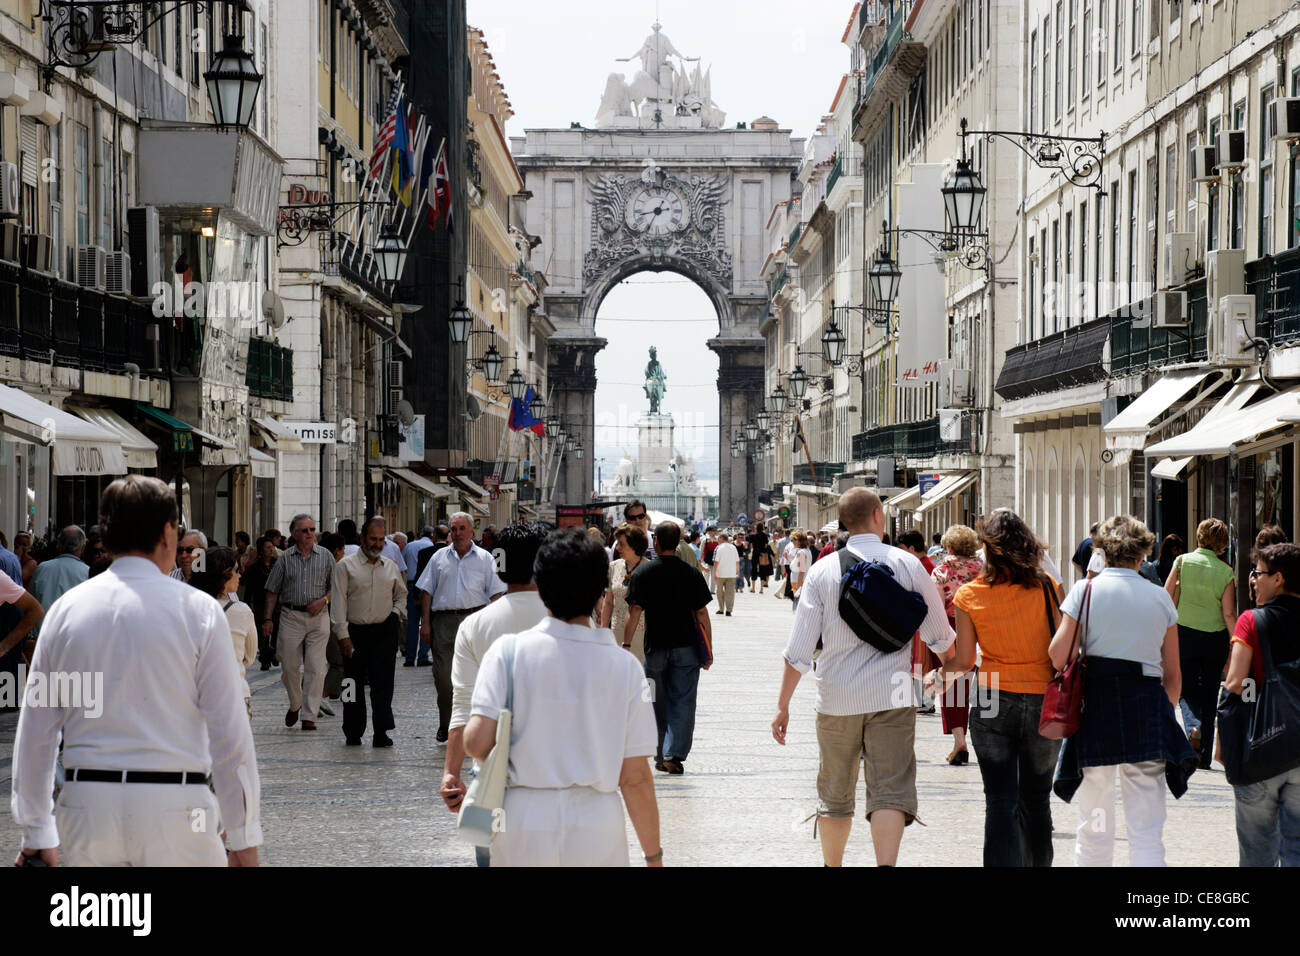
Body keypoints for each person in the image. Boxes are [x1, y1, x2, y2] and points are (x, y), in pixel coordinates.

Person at [11, 475, 260, 867]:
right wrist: (243, 835)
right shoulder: (199, 612)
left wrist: (37, 829)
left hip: (87, 806)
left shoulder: (65, 612)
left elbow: (37, 731)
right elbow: (229, 734)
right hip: (178, 809)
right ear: (166, 533)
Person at [773, 488, 955, 867]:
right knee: (890, 791)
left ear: (842, 523)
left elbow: (799, 651)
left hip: (837, 698)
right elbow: (941, 638)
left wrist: (783, 706)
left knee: (835, 792)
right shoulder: (907, 564)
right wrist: (945, 673)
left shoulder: (823, 570)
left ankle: (832, 865)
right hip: (893, 696)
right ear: (878, 515)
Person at [465, 528, 661, 867]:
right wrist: (653, 856)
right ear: (601, 592)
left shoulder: (507, 654)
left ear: (540, 589)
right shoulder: (625, 668)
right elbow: (635, 777)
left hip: (521, 820)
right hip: (597, 824)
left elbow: (476, 743)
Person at [1051, 515, 1197, 867]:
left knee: (1094, 824)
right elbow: (1173, 676)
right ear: (1142, 554)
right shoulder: (1159, 599)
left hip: (1095, 708)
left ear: (1102, 552)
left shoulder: (1084, 592)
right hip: (1146, 707)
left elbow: (1058, 657)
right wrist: (1161, 711)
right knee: (1146, 829)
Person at [944, 511, 1061, 866]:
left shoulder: (969, 595)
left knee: (999, 800)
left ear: (987, 551)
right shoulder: (1047, 588)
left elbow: (964, 661)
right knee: (1036, 799)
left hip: (992, 694)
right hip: (1042, 696)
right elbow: (1063, 650)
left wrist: (938, 675)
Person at [442, 522, 552, 864]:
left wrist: (450, 773)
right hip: (555, 776)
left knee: (491, 855)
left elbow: (463, 706)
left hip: (488, 775)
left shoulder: (474, 626)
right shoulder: (569, 622)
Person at [1222, 543, 1300, 866]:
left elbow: (1237, 683)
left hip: (1261, 751)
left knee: (1257, 855)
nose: (1253, 580)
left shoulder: (1251, 621)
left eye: (1259, 573)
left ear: (1278, 579)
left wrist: (1260, 696)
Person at [624, 521, 712, 775]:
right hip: (686, 648)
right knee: (683, 700)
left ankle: (659, 751)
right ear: (679, 542)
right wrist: (709, 648)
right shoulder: (691, 573)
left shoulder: (643, 573)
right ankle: (675, 754)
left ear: (657, 543)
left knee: (654, 700)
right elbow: (702, 612)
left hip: (655, 649)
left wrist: (627, 644)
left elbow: (635, 612)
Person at [417, 512, 507, 743]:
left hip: (476, 620)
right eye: (453, 529)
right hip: (444, 622)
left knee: (478, 678)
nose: (457, 533)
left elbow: (496, 593)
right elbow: (426, 592)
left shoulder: (487, 558)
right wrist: (425, 623)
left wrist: (492, 622)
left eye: (461, 529)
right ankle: (446, 723)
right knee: (444, 679)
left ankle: (475, 728)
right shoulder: (438, 558)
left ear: (471, 532)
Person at [1164, 518, 1236, 768]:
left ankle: (1193, 729)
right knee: (1209, 694)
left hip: (1183, 634)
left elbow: (1166, 594)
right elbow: (1228, 613)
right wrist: (1236, 641)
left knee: (1185, 689)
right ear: (1222, 544)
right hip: (1214, 639)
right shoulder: (1226, 572)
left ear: (1199, 537)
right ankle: (1204, 756)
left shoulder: (1182, 561)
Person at [331, 517, 406, 747]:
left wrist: (395, 614)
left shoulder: (390, 567)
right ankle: (352, 730)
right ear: (362, 538)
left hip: (384, 632)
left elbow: (402, 595)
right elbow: (338, 603)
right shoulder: (345, 566)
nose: (377, 544)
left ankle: (381, 731)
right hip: (354, 632)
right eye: (373, 539)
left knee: (383, 684)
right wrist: (342, 635)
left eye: (381, 540)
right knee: (351, 684)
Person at [263, 514, 334, 732]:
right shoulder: (284, 558)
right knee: (289, 666)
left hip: (319, 617)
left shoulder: (326, 556)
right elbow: (272, 590)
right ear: (294, 534)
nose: (310, 534)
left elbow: (337, 587)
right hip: (291, 615)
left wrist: (324, 600)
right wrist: (267, 619)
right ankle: (295, 703)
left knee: (316, 667)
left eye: (312, 529)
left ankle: (309, 715)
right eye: (305, 530)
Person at [929, 524, 984, 765]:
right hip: (982, 630)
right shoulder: (985, 570)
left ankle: (959, 740)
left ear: (949, 546)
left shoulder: (940, 572)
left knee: (951, 685)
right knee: (985, 685)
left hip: (951, 629)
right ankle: (986, 738)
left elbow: (938, 611)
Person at [190, 548, 257, 720]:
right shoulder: (242, 611)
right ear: (224, 575)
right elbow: (249, 658)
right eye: (236, 570)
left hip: (196, 696)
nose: (240, 575)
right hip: (234, 693)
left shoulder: (187, 608)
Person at [28, 526, 88, 639]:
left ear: (58, 545)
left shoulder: (42, 568)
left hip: (42, 640)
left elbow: (29, 603)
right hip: (74, 640)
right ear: (83, 547)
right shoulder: (87, 572)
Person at [601, 524, 649, 663]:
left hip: (641, 632)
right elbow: (608, 601)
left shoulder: (648, 569)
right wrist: (603, 630)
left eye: (622, 544)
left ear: (635, 545)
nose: (617, 548)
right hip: (617, 631)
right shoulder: (613, 567)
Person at [402, 526, 437, 667]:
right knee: (426, 621)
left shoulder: (409, 546)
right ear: (432, 536)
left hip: (411, 586)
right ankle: (423, 656)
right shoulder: (432, 547)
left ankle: (409, 658)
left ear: (420, 534)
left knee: (412, 624)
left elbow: (403, 565)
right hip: (427, 588)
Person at [244, 536, 280, 670]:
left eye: (272, 547)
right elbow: (248, 588)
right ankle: (265, 659)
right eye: (268, 548)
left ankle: (275, 653)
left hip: (277, 604)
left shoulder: (278, 564)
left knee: (277, 631)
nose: (271, 550)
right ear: (261, 550)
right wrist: (248, 605)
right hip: (260, 603)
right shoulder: (254, 567)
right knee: (262, 633)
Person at [712, 531, 739, 616]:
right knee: (730, 592)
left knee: (719, 591)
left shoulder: (719, 548)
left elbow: (716, 562)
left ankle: (721, 609)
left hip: (720, 573)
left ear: (721, 539)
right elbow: (737, 561)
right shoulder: (733, 547)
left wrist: (714, 573)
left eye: (718, 538)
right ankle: (729, 610)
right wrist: (737, 571)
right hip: (731, 573)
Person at [785, 531, 812, 608]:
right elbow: (797, 567)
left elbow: (802, 571)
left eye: (793, 540)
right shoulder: (806, 551)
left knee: (798, 607)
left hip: (799, 582)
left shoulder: (802, 552)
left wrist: (798, 588)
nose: (792, 542)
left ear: (799, 540)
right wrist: (788, 558)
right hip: (800, 582)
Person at [749, 526, 772, 593]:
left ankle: (753, 588)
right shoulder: (765, 535)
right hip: (763, 554)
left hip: (755, 554)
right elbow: (766, 545)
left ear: (756, 529)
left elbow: (751, 546)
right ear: (762, 528)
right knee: (763, 570)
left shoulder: (753, 535)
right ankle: (761, 589)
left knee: (754, 570)